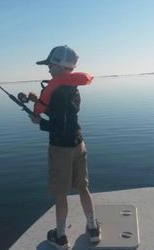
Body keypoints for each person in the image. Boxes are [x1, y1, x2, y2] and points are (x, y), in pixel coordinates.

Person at [29, 45, 101, 249]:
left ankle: (60, 237)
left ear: (59, 65)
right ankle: (93, 228)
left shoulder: (55, 89)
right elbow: (65, 115)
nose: (48, 69)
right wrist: (41, 102)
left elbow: (58, 126)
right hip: (79, 143)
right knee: (83, 186)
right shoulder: (72, 87)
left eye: (50, 64)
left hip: (61, 149)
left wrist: (39, 122)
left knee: (61, 194)